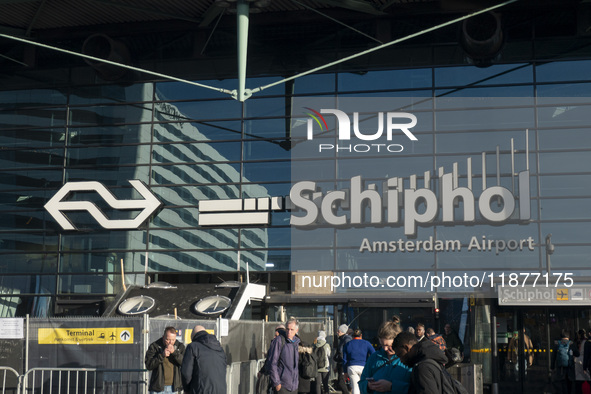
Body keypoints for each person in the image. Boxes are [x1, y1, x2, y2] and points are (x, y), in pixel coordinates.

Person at [359, 320, 411, 394]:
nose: (385, 349)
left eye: (388, 345)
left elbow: (415, 388)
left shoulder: (408, 359)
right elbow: (362, 381)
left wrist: (392, 386)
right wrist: (368, 386)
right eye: (382, 345)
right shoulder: (374, 357)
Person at [181, 325, 227, 394]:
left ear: (193, 336)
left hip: (201, 390)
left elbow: (186, 373)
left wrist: (186, 390)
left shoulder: (193, 347)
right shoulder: (219, 348)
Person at [145, 326, 185, 394]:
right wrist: (161, 356)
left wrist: (174, 353)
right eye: (168, 339)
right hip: (157, 388)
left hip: (173, 388)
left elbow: (184, 363)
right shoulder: (154, 346)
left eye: (173, 340)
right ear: (163, 337)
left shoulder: (180, 346)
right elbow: (149, 365)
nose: (170, 342)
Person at [267, 318, 301, 394]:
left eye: (292, 330)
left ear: (296, 330)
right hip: (282, 386)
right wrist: (277, 383)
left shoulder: (296, 343)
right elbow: (272, 363)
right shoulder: (279, 341)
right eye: (287, 329)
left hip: (294, 387)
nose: (289, 332)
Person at [343, 329, 375, 394]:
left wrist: (345, 372)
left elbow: (344, 360)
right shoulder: (366, 343)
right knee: (364, 386)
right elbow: (373, 354)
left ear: (352, 336)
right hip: (364, 366)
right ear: (361, 335)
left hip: (352, 367)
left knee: (355, 387)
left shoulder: (348, 344)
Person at [551, 329, 580, 394]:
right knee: (569, 385)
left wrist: (552, 367)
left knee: (562, 385)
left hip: (560, 369)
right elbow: (577, 354)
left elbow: (553, 357)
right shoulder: (571, 344)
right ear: (568, 336)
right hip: (570, 368)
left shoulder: (557, 344)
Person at [334, 324, 353, 394]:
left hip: (343, 363)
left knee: (341, 382)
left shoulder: (346, 339)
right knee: (342, 382)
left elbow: (343, 352)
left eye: (338, 331)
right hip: (341, 363)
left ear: (342, 332)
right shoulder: (343, 339)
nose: (337, 333)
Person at [574, 329, 591, 394]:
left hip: (577, 361)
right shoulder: (587, 341)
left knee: (579, 381)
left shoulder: (576, 341)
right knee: (587, 379)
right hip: (584, 361)